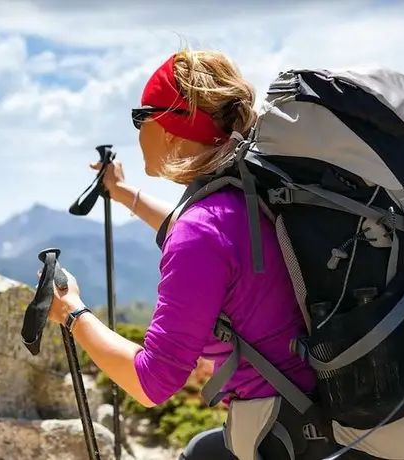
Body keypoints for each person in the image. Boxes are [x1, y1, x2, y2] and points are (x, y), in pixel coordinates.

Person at [43, 49, 375, 460]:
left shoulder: (202, 229)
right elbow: (204, 235)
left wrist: (73, 313)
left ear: (170, 128)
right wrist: (123, 193)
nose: (137, 128)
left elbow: (152, 382)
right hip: (340, 413)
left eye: (140, 116)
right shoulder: (254, 192)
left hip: (289, 435)